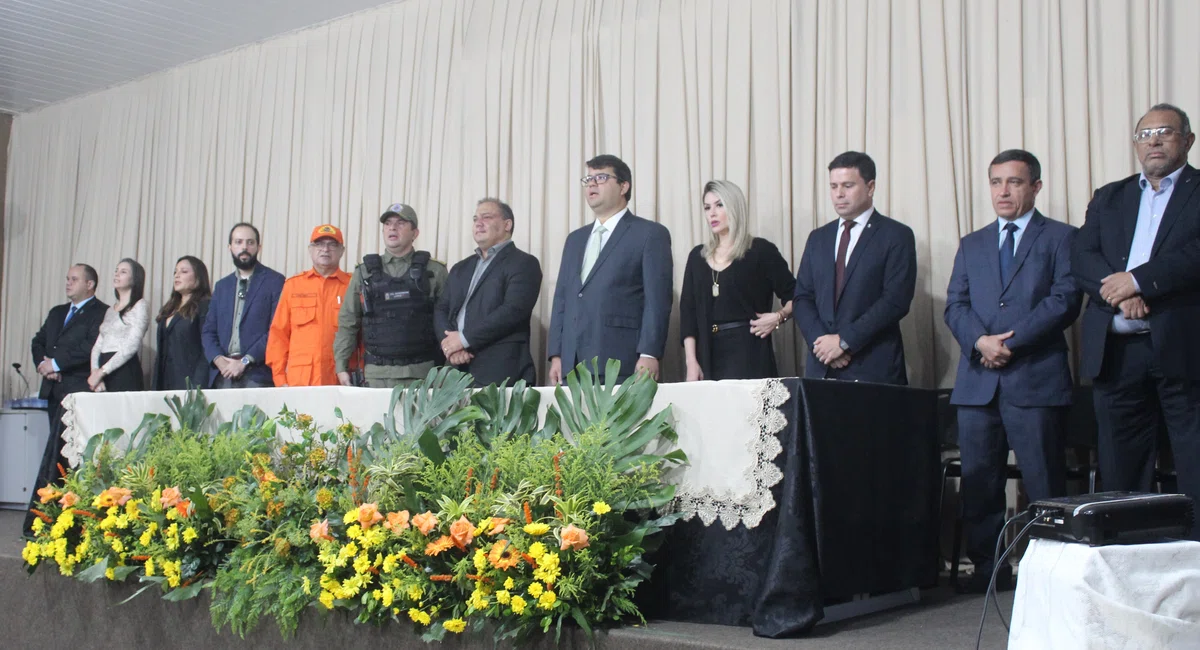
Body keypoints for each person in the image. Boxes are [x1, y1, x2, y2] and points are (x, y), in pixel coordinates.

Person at [945, 149, 1082, 592]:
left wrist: (1011, 342)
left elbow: (1064, 300)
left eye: (1014, 182)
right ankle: (989, 571)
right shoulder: (972, 242)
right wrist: (980, 342)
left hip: (1035, 379)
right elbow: (956, 305)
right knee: (981, 483)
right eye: (996, 182)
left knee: (1043, 481)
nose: (1003, 191)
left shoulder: (1062, 237)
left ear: (1036, 187)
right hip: (977, 383)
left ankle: (1050, 572)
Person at [1072, 103, 1200, 540]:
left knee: (1193, 459)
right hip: (1118, 350)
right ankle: (1130, 554)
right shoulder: (1111, 196)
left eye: (1165, 132)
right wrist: (1120, 293)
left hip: (1183, 349)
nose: (1155, 140)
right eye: (1145, 134)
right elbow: (1082, 255)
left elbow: (1193, 256)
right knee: (1121, 465)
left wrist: (1140, 282)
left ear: (1188, 140)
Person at [792, 151, 917, 385]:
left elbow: (896, 301)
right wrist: (823, 344)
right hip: (822, 367)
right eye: (833, 186)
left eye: (848, 185)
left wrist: (843, 341)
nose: (839, 194)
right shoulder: (818, 238)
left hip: (872, 366)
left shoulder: (896, 235)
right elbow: (802, 297)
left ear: (870, 187)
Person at [547, 154, 673, 383]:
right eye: (588, 179)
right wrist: (556, 355)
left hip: (621, 360)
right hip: (572, 364)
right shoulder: (575, 239)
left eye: (601, 177)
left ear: (624, 186)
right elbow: (562, 300)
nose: (592, 184)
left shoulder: (650, 234)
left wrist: (649, 352)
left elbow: (658, 300)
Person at [680, 180, 795, 380]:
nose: (712, 213)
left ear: (734, 207)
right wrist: (691, 361)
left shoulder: (760, 251)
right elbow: (687, 314)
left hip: (749, 351)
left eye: (719, 205)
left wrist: (778, 317)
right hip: (706, 351)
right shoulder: (697, 257)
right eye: (707, 208)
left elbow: (797, 296)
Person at [26, 263, 108, 534]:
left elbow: (90, 348)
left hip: (77, 391)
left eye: (75, 279)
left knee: (72, 454)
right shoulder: (57, 312)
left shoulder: (101, 312)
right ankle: (51, 512)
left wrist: (57, 364)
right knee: (53, 455)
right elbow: (38, 342)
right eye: (67, 278)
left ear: (90, 284)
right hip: (53, 391)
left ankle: (72, 515)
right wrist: (43, 364)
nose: (68, 283)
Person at [334, 203, 448, 389]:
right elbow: (348, 321)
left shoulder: (435, 271)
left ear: (415, 233)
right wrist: (341, 365)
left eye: (401, 223)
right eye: (388, 223)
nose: (392, 228)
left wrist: (448, 370)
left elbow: (448, 321)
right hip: (377, 376)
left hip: (423, 374)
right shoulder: (363, 273)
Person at [435, 198, 543, 387]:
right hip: (455, 370)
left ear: (507, 224)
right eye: (475, 218)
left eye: (486, 217)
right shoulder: (461, 267)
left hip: (499, 369)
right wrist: (450, 345)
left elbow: (513, 310)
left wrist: (463, 339)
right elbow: (441, 308)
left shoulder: (524, 263)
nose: (478, 223)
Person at [266, 224, 357, 386]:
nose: (325, 249)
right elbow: (278, 336)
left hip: (342, 378)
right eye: (319, 244)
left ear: (342, 250)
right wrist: (279, 378)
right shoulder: (293, 286)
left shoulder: (353, 286)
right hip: (301, 380)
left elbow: (363, 335)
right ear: (310, 249)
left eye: (332, 244)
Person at [202, 222, 285, 388]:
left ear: (258, 247)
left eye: (250, 242)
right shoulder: (222, 286)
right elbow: (208, 331)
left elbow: (275, 330)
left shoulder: (275, 281)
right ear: (230, 247)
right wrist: (218, 360)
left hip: (257, 374)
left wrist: (245, 361)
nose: (244, 247)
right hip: (222, 373)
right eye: (238, 242)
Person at [88, 258, 150, 392]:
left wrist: (102, 371)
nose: (116, 274)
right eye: (116, 271)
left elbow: (131, 345)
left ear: (134, 279)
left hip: (124, 370)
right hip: (103, 370)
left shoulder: (140, 306)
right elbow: (98, 345)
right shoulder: (110, 310)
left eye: (123, 272)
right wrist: (95, 372)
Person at [153, 256, 212, 391]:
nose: (177, 276)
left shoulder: (205, 306)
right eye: (175, 272)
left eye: (184, 272)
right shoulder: (169, 308)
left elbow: (206, 350)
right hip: (164, 381)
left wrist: (197, 386)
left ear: (198, 277)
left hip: (190, 382)